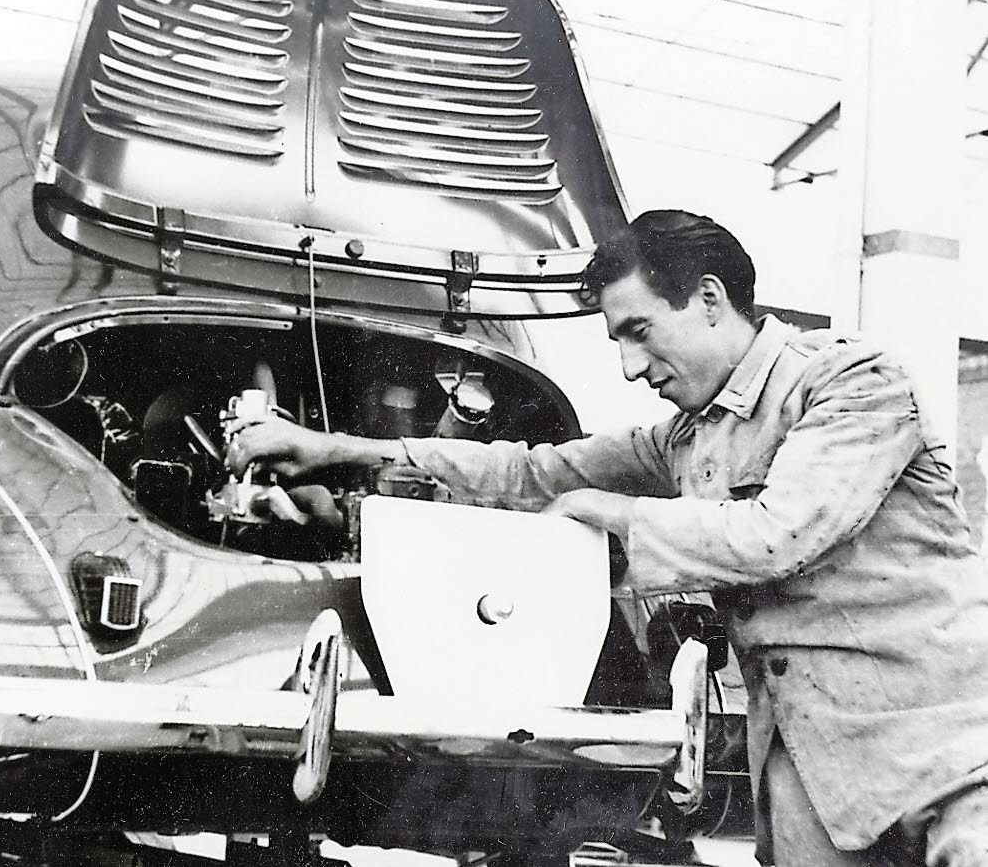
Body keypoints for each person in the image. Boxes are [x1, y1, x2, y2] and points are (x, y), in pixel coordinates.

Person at [226, 210, 988, 866]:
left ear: (709, 301)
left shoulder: (852, 382)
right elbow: (535, 471)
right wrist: (343, 451)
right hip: (811, 786)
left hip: (948, 764)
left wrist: (607, 519)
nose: (629, 367)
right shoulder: (687, 438)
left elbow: (772, 535)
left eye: (638, 332)